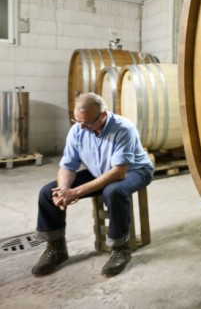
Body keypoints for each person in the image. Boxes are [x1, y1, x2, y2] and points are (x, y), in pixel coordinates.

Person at [32, 92, 154, 277]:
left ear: (103, 115)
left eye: (87, 123)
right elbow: (67, 166)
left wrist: (76, 192)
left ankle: (121, 248)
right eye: (77, 121)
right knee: (47, 193)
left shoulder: (123, 128)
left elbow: (118, 173)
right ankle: (56, 249)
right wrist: (64, 190)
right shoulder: (78, 129)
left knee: (113, 191)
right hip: (100, 170)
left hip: (134, 170)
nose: (81, 126)